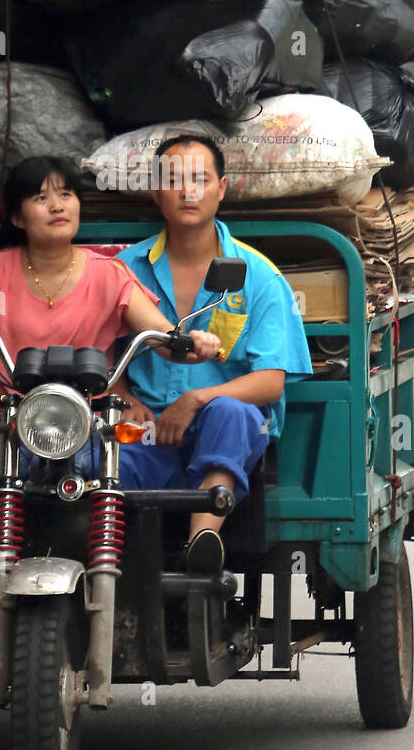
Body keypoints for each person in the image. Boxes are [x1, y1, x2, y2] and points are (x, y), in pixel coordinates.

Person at [0, 155, 222, 555]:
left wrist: (193, 345)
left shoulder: (108, 274)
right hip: (7, 419)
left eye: (66, 194)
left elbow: (162, 337)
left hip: (89, 421)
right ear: (17, 217)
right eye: (40, 197)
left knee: (98, 492)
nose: (57, 205)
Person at [108, 134, 312, 573]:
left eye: (200, 179)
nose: (188, 191)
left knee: (232, 413)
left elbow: (271, 381)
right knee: (100, 455)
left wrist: (196, 400)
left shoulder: (258, 275)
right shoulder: (123, 270)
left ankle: (202, 540)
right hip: (149, 433)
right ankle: (114, 575)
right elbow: (101, 357)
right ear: (155, 191)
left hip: (225, 433)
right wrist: (127, 401)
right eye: (174, 180)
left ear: (222, 188)